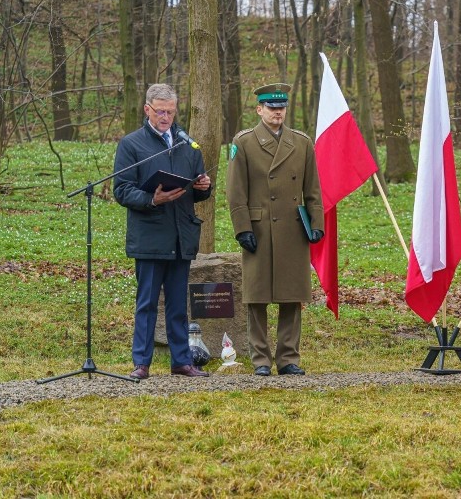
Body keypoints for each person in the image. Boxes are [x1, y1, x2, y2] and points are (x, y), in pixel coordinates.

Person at [113, 83, 212, 379]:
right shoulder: (132, 145)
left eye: (170, 111)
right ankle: (141, 363)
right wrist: (151, 199)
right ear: (147, 110)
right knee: (146, 304)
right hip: (150, 236)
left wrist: (204, 188)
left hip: (181, 236)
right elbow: (121, 190)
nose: (166, 117)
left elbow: (196, 190)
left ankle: (181, 361)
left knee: (178, 305)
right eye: (160, 112)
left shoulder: (187, 144)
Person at [226, 83, 324, 376]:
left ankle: (288, 358)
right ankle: (260, 360)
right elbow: (235, 191)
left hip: (293, 228)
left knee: (291, 296)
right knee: (256, 297)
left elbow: (313, 189)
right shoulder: (243, 142)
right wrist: (242, 227)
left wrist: (316, 223)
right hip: (259, 228)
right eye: (271, 108)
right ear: (259, 110)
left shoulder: (302, 142)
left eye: (281, 108)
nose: (277, 112)